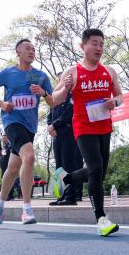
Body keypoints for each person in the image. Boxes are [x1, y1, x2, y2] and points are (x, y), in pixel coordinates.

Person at [53, 28, 123, 237]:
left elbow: (120, 96)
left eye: (101, 44)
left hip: (104, 126)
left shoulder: (109, 71)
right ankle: (101, 219)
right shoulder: (72, 72)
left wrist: (114, 102)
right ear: (82, 46)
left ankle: (65, 178)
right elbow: (55, 99)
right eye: (94, 43)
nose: (98, 48)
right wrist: (65, 88)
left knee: (98, 172)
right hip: (83, 126)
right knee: (95, 169)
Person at [0, 38, 53, 225]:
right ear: (18, 52)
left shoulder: (41, 76)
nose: (32, 52)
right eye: (28, 48)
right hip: (12, 122)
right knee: (29, 156)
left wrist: (43, 93)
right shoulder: (8, 73)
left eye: (34, 49)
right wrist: (1, 104)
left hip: (30, 126)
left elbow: (53, 102)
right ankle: (27, 210)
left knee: (13, 168)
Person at [47, 87, 83, 205]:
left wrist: (54, 125)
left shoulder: (72, 96)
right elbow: (50, 114)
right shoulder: (56, 97)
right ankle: (61, 195)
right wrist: (50, 126)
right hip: (56, 136)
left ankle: (71, 196)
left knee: (69, 166)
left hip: (69, 135)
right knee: (59, 167)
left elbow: (69, 114)